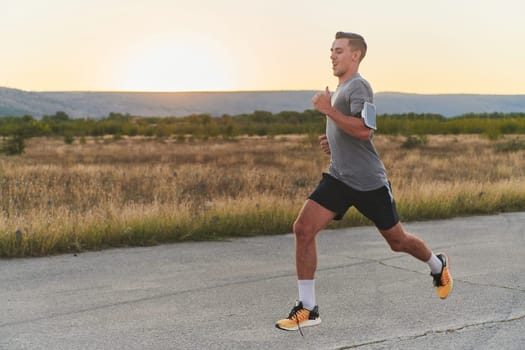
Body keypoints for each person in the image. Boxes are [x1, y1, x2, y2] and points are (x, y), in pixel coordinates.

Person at [275, 31, 453, 333]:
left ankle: (438, 265)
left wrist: (329, 110)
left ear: (355, 55)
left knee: (398, 242)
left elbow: (364, 131)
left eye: (339, 50)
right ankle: (308, 307)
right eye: (331, 50)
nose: (332, 55)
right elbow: (349, 131)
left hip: (369, 182)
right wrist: (332, 141)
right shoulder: (342, 87)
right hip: (339, 178)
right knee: (303, 229)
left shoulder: (360, 86)